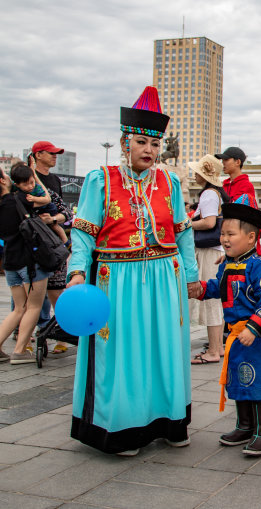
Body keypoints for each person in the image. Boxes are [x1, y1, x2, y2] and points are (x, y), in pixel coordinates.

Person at [67, 86, 200, 455]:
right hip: (116, 280)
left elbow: (182, 231)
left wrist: (190, 276)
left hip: (165, 277)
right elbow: (83, 231)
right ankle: (123, 429)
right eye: (142, 142)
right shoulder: (101, 180)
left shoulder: (169, 181)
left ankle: (170, 423)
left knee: (165, 349)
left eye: (155, 145)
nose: (149, 151)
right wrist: (78, 272)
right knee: (122, 352)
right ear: (125, 142)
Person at [195, 198, 261, 456]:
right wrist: (200, 289)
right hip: (238, 335)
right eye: (222, 234)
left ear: (251, 238)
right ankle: (245, 426)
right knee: (240, 379)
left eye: (230, 234)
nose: (224, 239)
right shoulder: (226, 264)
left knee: (260, 384)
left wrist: (253, 328)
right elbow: (219, 287)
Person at [0, 168, 51, 364]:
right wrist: (34, 175)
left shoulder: (3, 203)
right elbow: (45, 197)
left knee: (18, 308)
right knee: (34, 306)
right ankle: (20, 351)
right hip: (30, 261)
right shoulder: (20, 199)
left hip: (10, 262)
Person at [28, 140, 72, 354]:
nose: (55, 157)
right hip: (31, 244)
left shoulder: (54, 180)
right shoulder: (27, 179)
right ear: (37, 155)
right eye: (51, 153)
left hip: (53, 243)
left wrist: (54, 219)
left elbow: (66, 213)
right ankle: (26, 335)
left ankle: (62, 333)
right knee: (30, 295)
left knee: (57, 291)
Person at [189, 154, 229, 364]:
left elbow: (209, 222)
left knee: (211, 299)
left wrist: (186, 224)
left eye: (197, 171)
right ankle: (217, 347)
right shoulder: (217, 193)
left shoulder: (208, 194)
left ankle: (214, 349)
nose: (194, 174)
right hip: (216, 249)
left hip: (209, 250)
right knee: (216, 300)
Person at [10, 165, 68, 245]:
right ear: (17, 185)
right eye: (25, 185)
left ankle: (66, 242)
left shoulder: (37, 188)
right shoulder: (19, 193)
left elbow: (47, 200)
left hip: (48, 208)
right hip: (40, 212)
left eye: (32, 182)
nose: (30, 186)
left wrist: (34, 199)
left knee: (54, 226)